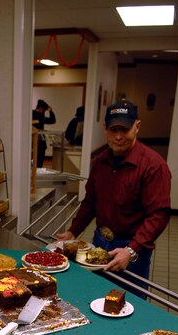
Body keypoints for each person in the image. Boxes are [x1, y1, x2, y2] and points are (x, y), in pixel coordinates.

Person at [56, 100, 171, 298]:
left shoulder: (153, 166)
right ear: (105, 128)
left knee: (129, 301)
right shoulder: (100, 162)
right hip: (101, 241)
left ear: (137, 126)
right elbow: (90, 202)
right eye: (113, 129)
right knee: (96, 295)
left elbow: (158, 215)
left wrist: (131, 250)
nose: (118, 137)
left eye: (124, 130)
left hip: (132, 246)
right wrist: (73, 231)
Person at [32, 99, 56, 167]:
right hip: (39, 141)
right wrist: (50, 111)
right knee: (39, 163)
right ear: (41, 109)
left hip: (34, 141)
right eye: (44, 110)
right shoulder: (40, 116)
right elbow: (52, 120)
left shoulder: (30, 113)